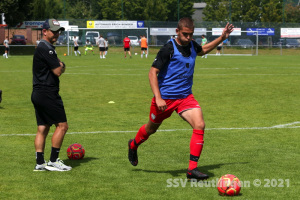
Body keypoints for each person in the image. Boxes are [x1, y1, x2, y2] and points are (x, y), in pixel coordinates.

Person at [128, 17, 234, 180]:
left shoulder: (192, 45)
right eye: (185, 34)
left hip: (185, 97)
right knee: (151, 129)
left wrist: (222, 37)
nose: (189, 38)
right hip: (165, 100)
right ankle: (133, 145)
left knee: (199, 124)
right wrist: (158, 97)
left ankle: (192, 170)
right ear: (177, 31)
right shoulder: (168, 48)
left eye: (191, 34)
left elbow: (203, 50)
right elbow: (152, 72)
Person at [31, 18, 72, 171]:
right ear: (44, 31)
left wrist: (60, 64)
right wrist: (60, 65)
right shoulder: (46, 47)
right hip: (47, 92)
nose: (56, 34)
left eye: (58, 31)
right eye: (53, 31)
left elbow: (58, 66)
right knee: (62, 126)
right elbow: (57, 70)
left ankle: (40, 163)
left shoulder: (45, 47)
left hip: (38, 93)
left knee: (43, 128)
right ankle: (53, 161)